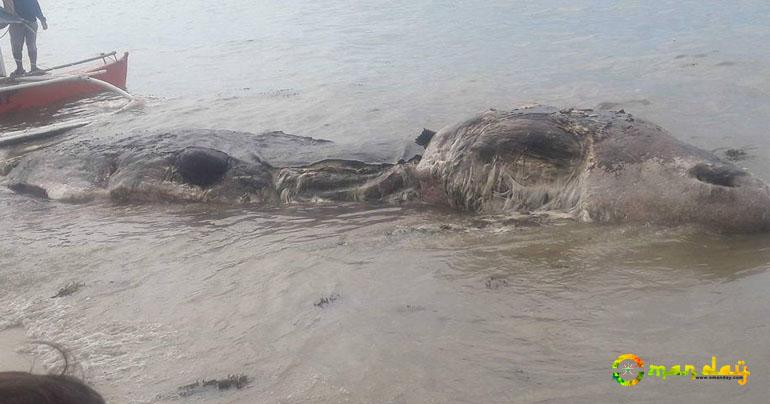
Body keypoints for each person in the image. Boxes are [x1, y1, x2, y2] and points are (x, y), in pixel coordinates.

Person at [7, 0, 47, 77]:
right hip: (23, 21)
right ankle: (31, 67)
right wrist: (42, 19)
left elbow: (35, 4)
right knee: (27, 45)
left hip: (19, 22)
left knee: (18, 46)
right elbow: (35, 5)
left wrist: (42, 19)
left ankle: (24, 68)